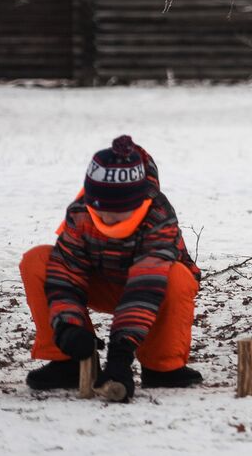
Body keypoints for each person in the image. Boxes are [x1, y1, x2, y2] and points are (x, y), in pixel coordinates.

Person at [20, 135, 203, 400]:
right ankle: (68, 362)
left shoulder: (159, 216)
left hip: (152, 289)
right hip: (100, 284)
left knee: (178, 276)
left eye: (118, 210)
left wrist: (120, 355)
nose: (107, 216)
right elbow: (67, 272)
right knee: (38, 260)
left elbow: (145, 287)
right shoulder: (80, 212)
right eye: (100, 207)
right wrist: (68, 327)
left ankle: (161, 366)